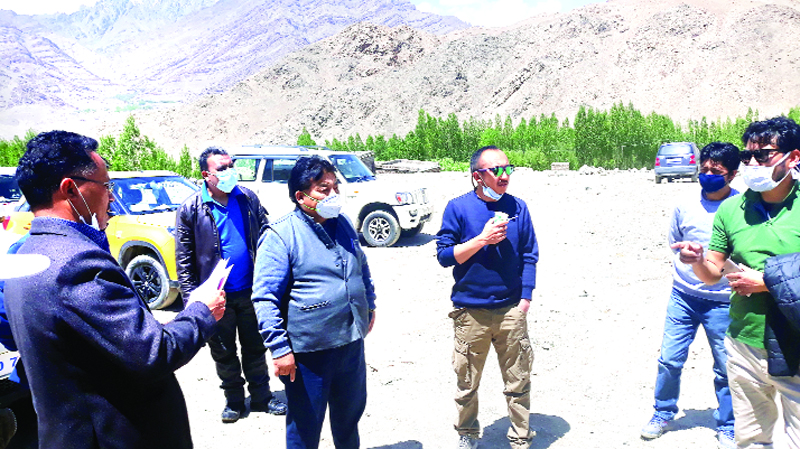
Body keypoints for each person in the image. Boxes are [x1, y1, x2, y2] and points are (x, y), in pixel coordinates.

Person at [4, 130, 226, 449]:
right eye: (106, 186)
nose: (110, 197)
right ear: (71, 189)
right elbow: (154, 353)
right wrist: (201, 311)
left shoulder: (26, 253)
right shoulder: (78, 263)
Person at [677, 117, 800, 449]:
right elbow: (713, 272)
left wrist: (768, 282)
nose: (753, 164)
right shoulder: (732, 209)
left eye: (764, 155)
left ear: (793, 157)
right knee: (752, 439)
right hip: (745, 343)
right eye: (748, 156)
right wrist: (697, 260)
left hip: (795, 343)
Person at [251, 155, 376, 449]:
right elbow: (264, 297)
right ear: (301, 196)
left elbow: (361, 266)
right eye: (323, 189)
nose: (333, 195)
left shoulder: (343, 223)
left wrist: (369, 304)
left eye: (335, 187)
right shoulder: (280, 234)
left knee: (349, 419)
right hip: (309, 352)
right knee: (305, 426)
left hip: (350, 343)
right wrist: (280, 349)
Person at [436, 146, 538, 449]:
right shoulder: (458, 208)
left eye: (508, 168)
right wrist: (481, 240)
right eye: (497, 170)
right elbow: (444, 256)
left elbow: (529, 254)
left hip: (511, 309)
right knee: (467, 381)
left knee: (518, 379)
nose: (505, 175)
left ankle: (520, 437)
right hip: (470, 311)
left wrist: (525, 299)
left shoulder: (518, 207)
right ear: (477, 177)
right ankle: (467, 433)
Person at [175, 146, 286, 422]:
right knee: (223, 352)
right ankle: (234, 401)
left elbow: (267, 238)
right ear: (206, 175)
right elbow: (184, 260)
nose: (229, 172)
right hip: (216, 297)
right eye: (222, 168)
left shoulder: (247, 198)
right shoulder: (191, 208)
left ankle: (261, 397)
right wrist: (193, 304)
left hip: (251, 291)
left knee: (255, 347)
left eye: (231, 166)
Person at [640, 142, 740, 448]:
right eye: (704, 168)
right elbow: (675, 241)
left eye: (716, 170)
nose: (708, 174)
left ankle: (729, 423)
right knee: (670, 360)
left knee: (725, 366)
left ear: (733, 174)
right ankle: (662, 411)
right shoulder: (684, 205)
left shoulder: (741, 208)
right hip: (683, 297)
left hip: (723, 302)